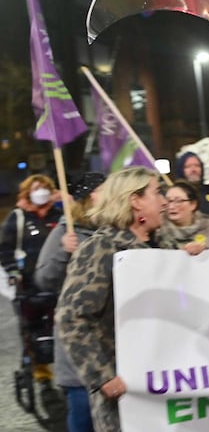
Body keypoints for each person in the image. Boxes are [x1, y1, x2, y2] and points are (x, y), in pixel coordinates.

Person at [55, 167, 184, 431]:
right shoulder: (101, 247)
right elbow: (70, 317)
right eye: (157, 193)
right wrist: (102, 376)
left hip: (172, 384)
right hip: (127, 396)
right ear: (135, 200)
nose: (164, 201)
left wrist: (192, 262)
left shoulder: (164, 244)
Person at [35, 172, 106, 432]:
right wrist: (64, 252)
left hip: (109, 343)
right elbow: (43, 279)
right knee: (83, 417)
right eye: (103, 190)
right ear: (88, 198)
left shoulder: (114, 231)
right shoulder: (67, 231)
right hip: (78, 351)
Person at [0, 173, 63, 387]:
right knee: (32, 327)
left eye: (45, 187)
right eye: (36, 188)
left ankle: (64, 365)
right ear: (28, 192)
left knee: (59, 325)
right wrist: (12, 271)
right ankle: (41, 371)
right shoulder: (18, 217)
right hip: (28, 283)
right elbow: (6, 248)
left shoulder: (60, 215)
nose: (41, 191)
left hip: (56, 281)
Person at [159, 180, 209, 249]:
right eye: (168, 201)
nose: (171, 206)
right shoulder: (158, 232)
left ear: (193, 204)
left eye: (178, 201)